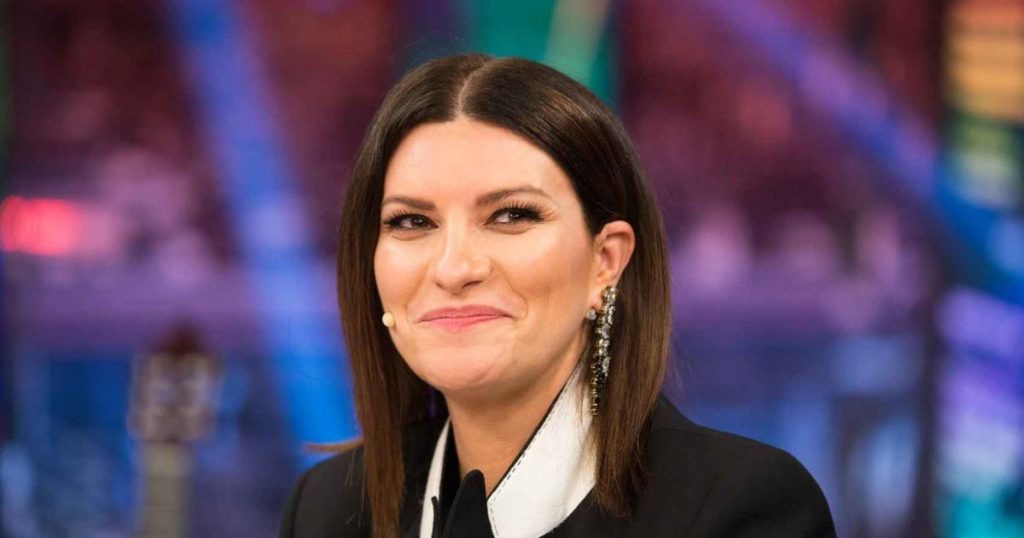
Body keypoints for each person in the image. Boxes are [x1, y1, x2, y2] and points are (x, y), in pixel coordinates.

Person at [279, 53, 836, 538]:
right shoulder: (328, 510)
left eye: (511, 215)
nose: (453, 268)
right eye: (411, 222)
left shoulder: (738, 507)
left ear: (605, 261)